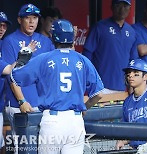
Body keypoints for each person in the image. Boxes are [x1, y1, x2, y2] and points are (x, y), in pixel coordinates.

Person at [11, 19, 104, 154]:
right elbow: (99, 94)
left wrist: (23, 57)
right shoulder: (82, 60)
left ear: (53, 37)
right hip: (75, 121)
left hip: (52, 121)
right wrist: (85, 108)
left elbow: (15, 76)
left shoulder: (44, 58)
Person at [1, 3, 54, 153]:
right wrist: (21, 101)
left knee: (43, 148)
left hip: (42, 104)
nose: (32, 22)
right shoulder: (10, 41)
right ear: (19, 20)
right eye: (27, 18)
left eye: (35, 18)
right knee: (23, 149)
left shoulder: (45, 41)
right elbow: (11, 73)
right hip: (19, 104)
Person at [82, 0, 138, 94]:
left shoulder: (132, 32)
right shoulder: (99, 27)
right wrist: (90, 79)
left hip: (123, 86)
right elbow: (87, 55)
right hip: (101, 85)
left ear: (129, 8)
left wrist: (133, 85)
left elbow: (133, 61)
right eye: (118, 5)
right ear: (112, 7)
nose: (122, 9)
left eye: (125, 6)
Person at [0, 11, 12, 151]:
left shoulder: (4, 44)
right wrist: (23, 58)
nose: (1, 28)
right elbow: (8, 69)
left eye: (4, 25)